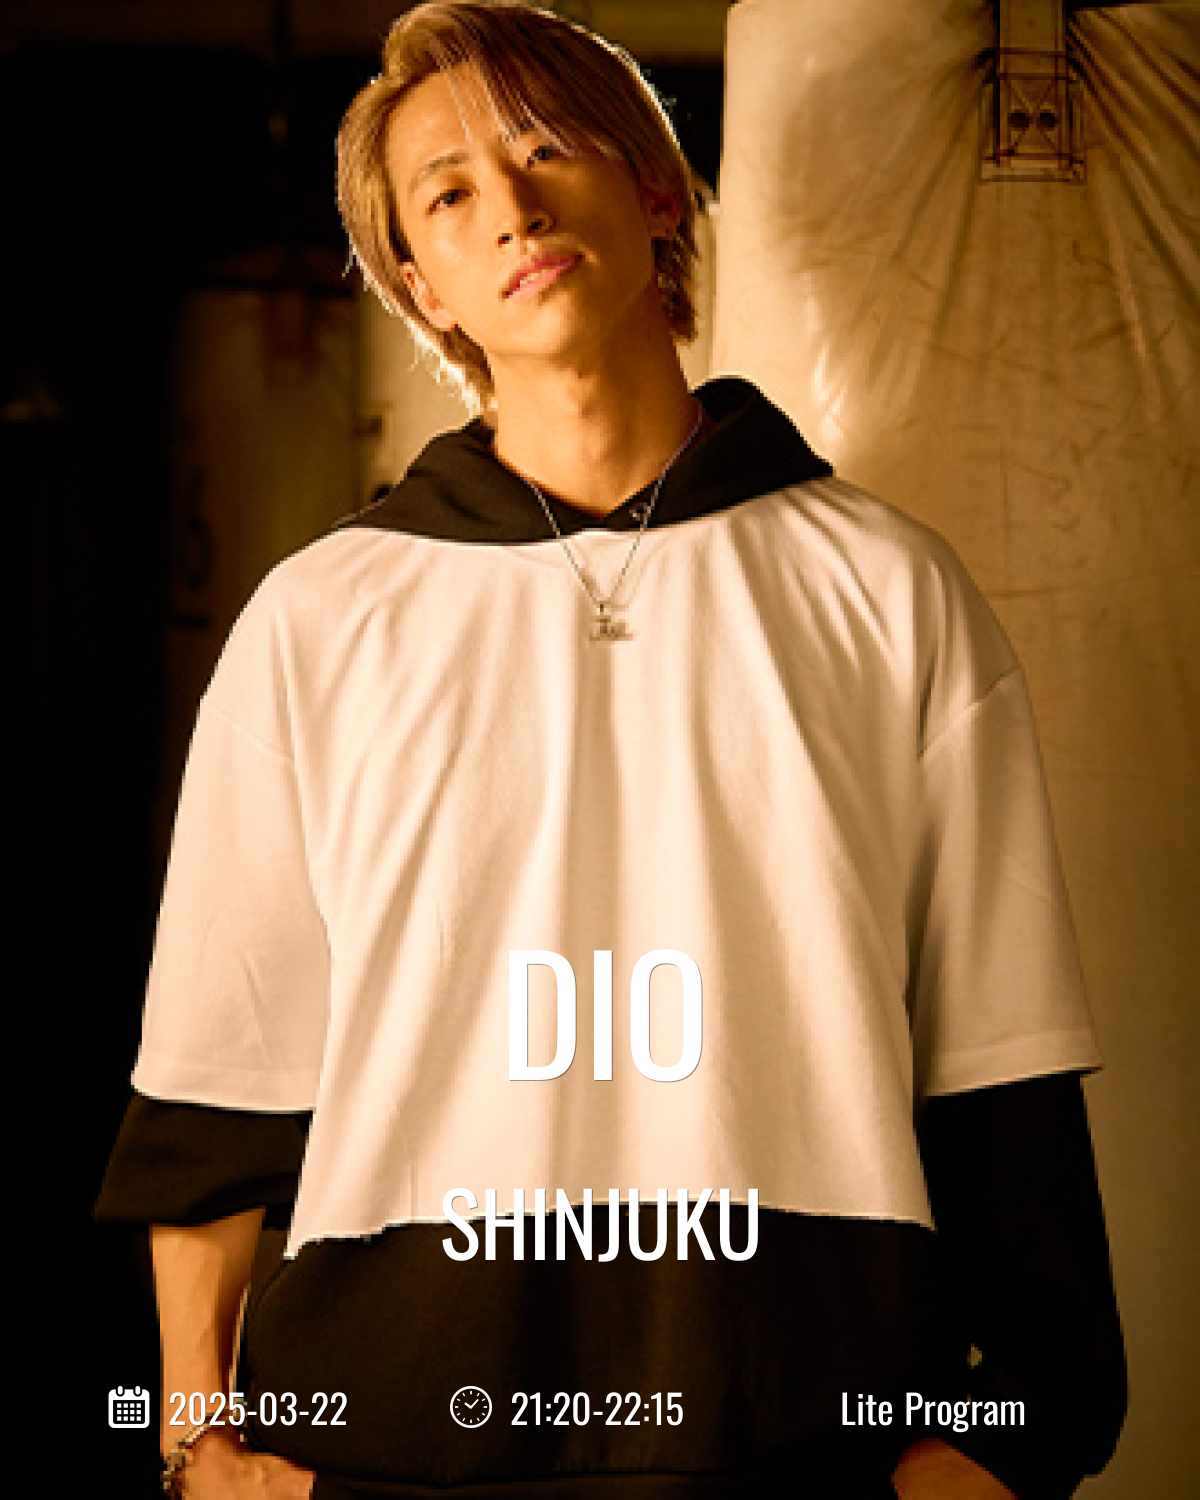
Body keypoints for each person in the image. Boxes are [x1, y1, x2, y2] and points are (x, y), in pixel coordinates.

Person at [97, 4, 1126, 1496]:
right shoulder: (316, 621)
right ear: (421, 286)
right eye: (449, 192)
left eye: (545, 147)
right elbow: (215, 1087)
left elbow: (1002, 1065)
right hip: (388, 1449)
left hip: (792, 1446)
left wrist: (1012, 1444)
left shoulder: (889, 588)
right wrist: (199, 1451)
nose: (509, 208)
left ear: (651, 188)